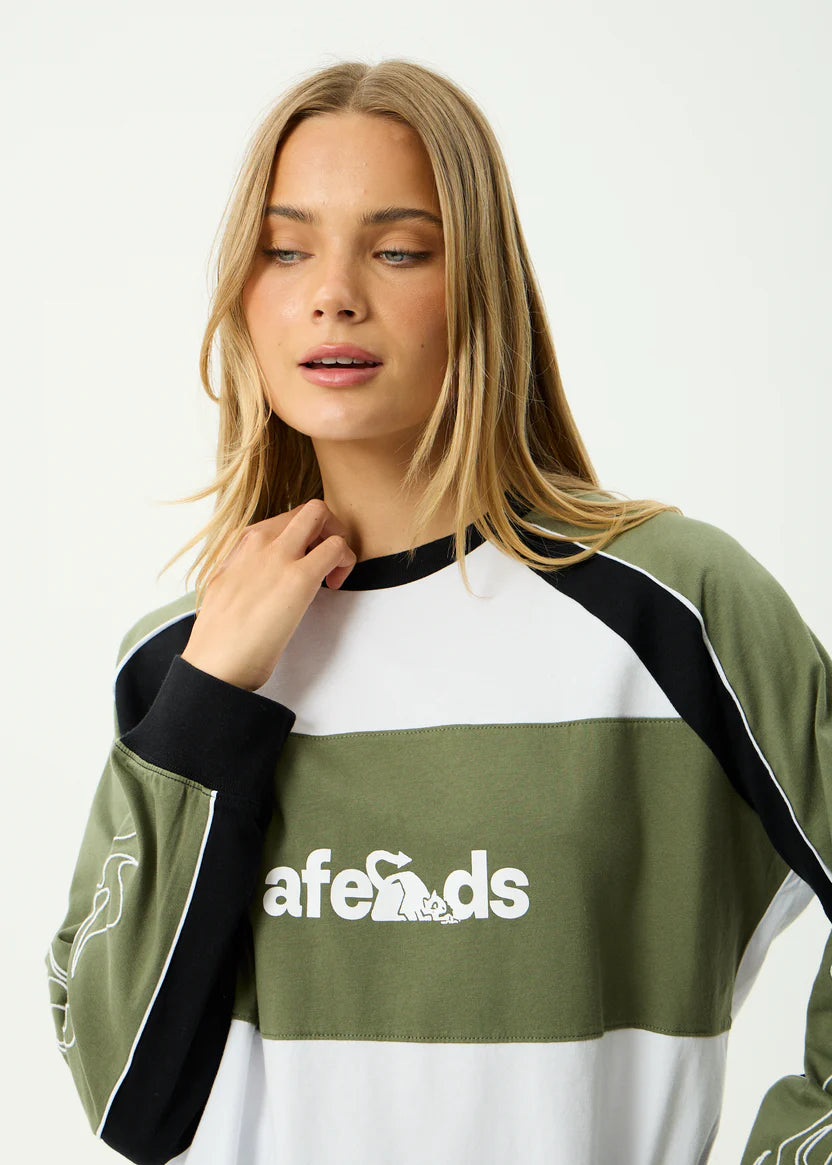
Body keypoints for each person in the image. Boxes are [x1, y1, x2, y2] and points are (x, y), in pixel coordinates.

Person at [44, 58, 832, 1165]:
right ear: (244, 296)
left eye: (400, 249)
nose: (333, 293)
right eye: (285, 249)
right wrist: (211, 695)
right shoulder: (184, 656)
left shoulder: (671, 606)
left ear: (483, 288)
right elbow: (131, 1100)